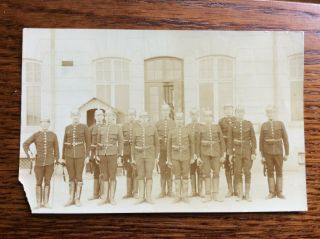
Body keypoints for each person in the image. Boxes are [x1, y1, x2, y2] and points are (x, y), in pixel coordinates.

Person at [23, 117, 59, 209]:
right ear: (40, 124)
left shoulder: (53, 135)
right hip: (38, 163)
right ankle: (39, 203)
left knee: (47, 182)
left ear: (49, 124)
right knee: (38, 182)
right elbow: (25, 144)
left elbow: (56, 149)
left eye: (46, 123)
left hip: (50, 163)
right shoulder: (36, 135)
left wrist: (56, 160)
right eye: (43, 123)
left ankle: (46, 203)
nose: (44, 125)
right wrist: (30, 154)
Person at [259, 105, 289, 199]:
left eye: (272, 112)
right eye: (268, 112)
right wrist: (262, 155)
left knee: (279, 171)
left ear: (275, 113)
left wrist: (287, 153)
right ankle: (271, 192)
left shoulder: (280, 124)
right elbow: (261, 141)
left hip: (279, 152)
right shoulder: (264, 125)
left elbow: (285, 139)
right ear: (266, 114)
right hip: (268, 153)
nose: (270, 114)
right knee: (270, 172)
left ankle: (279, 192)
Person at [62, 108, 90, 207]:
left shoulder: (84, 127)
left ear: (79, 116)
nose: (75, 117)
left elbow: (88, 142)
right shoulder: (67, 128)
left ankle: (77, 199)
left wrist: (87, 156)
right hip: (69, 155)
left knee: (79, 177)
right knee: (71, 177)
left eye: (77, 115)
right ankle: (71, 198)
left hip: (80, 155)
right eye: (74, 116)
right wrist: (63, 157)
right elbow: (64, 143)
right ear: (71, 117)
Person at [228, 106, 256, 202]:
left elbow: (253, 139)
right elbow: (230, 141)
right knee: (237, 172)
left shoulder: (248, 124)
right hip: (237, 152)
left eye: (241, 113)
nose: (240, 114)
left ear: (244, 114)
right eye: (238, 113)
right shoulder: (232, 125)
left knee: (247, 172)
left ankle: (247, 194)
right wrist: (231, 154)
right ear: (236, 114)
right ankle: (240, 194)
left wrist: (253, 152)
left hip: (247, 151)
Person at [96, 110, 124, 205]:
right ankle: (105, 198)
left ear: (113, 117)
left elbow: (120, 142)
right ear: (105, 117)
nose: (108, 118)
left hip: (113, 154)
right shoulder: (101, 128)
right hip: (102, 154)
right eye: (106, 116)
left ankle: (112, 198)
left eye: (110, 116)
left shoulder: (117, 128)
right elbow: (98, 142)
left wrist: (119, 156)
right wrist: (97, 154)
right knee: (104, 176)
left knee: (112, 176)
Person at [132, 112, 160, 204]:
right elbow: (133, 144)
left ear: (148, 118)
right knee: (140, 176)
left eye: (145, 117)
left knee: (149, 176)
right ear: (140, 118)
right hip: (139, 156)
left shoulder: (153, 128)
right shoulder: (136, 129)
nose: (144, 119)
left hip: (150, 155)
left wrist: (156, 157)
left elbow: (157, 144)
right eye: (142, 117)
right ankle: (141, 197)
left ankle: (148, 197)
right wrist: (133, 157)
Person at [198, 110, 226, 202]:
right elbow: (198, 143)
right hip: (204, 153)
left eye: (210, 116)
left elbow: (221, 141)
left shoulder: (217, 127)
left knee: (216, 173)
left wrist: (223, 154)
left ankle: (216, 194)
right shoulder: (201, 128)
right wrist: (198, 156)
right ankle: (207, 195)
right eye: (206, 116)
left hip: (216, 153)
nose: (208, 118)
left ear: (212, 117)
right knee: (206, 173)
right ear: (204, 118)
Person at [167, 112, 194, 203]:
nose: (179, 121)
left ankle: (185, 195)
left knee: (186, 175)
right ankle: (178, 196)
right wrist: (169, 159)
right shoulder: (171, 131)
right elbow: (169, 146)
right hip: (175, 157)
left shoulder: (188, 130)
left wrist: (192, 157)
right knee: (177, 175)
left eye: (181, 119)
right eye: (178, 119)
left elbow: (192, 144)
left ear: (183, 120)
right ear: (175, 120)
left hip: (186, 156)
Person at [156, 104, 176, 198]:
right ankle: (163, 191)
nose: (164, 112)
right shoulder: (158, 123)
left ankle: (170, 191)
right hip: (161, 151)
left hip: (171, 151)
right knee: (162, 170)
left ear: (169, 111)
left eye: (166, 110)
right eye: (163, 110)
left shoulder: (173, 123)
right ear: (161, 112)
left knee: (170, 170)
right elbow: (155, 139)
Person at [218, 104, 237, 197]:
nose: (228, 111)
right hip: (225, 146)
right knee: (227, 168)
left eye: (230, 109)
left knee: (237, 167)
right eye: (226, 110)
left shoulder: (236, 120)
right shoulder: (221, 121)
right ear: (224, 111)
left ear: (232, 110)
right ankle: (230, 189)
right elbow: (219, 136)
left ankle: (237, 189)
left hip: (235, 146)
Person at [122, 108, 139, 199]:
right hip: (127, 151)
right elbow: (121, 139)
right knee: (128, 171)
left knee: (135, 171)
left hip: (136, 152)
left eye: (132, 114)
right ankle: (128, 192)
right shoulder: (123, 126)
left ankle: (135, 192)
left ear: (135, 116)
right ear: (127, 116)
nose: (131, 116)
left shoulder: (138, 125)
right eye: (129, 115)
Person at [186, 108, 203, 197]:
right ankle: (193, 191)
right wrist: (191, 154)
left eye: (196, 114)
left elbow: (202, 141)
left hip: (200, 152)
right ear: (190, 116)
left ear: (198, 115)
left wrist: (199, 154)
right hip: (190, 154)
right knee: (192, 171)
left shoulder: (201, 126)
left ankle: (200, 191)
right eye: (192, 114)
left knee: (200, 171)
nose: (194, 116)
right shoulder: (187, 127)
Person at [88, 109, 104, 200]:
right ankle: (95, 194)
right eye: (97, 115)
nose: (99, 117)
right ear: (94, 117)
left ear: (103, 116)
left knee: (103, 173)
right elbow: (89, 143)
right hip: (94, 154)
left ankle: (102, 194)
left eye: (101, 115)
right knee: (96, 173)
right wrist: (91, 155)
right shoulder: (91, 128)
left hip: (103, 154)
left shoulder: (106, 127)